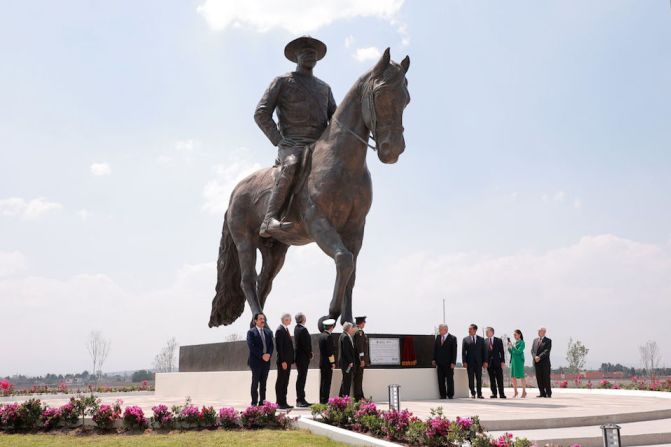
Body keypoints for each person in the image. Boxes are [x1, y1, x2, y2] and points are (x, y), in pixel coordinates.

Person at [254, 36, 337, 238]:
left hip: (318, 146)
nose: (310, 54)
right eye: (305, 51)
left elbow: (336, 120)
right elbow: (261, 113)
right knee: (291, 165)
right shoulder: (282, 81)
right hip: (292, 144)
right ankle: (269, 219)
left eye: (313, 52)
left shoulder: (324, 88)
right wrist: (278, 139)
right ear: (296, 56)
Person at [246, 312, 274, 406]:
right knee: (255, 383)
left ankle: (262, 402)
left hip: (266, 361)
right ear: (255, 321)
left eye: (263, 319)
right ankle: (254, 402)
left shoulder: (268, 332)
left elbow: (271, 346)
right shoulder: (251, 332)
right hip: (255, 361)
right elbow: (251, 346)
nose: (263, 320)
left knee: (263, 383)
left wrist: (268, 355)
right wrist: (262, 355)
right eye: (260, 319)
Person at [274, 313, 294, 409]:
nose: (291, 321)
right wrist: (283, 361)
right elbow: (279, 348)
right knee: (281, 381)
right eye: (289, 319)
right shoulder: (279, 330)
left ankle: (284, 401)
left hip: (288, 361)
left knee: (285, 382)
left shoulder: (285, 329)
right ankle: (279, 402)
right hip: (283, 362)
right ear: (285, 320)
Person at [462, 323, 487, 398]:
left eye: (470, 329)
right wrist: (464, 362)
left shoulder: (481, 339)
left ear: (475, 330)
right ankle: (473, 393)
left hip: (479, 363)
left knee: (479, 378)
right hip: (469, 363)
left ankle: (479, 394)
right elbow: (463, 352)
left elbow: (484, 351)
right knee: (471, 379)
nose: (469, 330)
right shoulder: (465, 339)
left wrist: (485, 361)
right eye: (468, 329)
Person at [432, 324, 457, 399]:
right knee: (440, 380)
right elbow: (435, 349)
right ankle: (442, 395)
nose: (439, 331)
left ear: (445, 329)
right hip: (439, 363)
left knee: (449, 380)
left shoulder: (452, 338)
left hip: (449, 363)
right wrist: (434, 359)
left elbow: (454, 351)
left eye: (440, 329)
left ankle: (450, 395)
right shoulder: (438, 337)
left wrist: (453, 362)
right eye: (439, 329)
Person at [293, 312, 313, 407]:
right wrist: (310, 354)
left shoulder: (296, 328)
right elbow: (306, 345)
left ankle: (301, 398)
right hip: (303, 358)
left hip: (299, 358)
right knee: (301, 378)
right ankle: (300, 400)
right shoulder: (303, 329)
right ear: (302, 319)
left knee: (301, 378)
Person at [318, 318, 337, 404]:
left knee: (322, 382)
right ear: (331, 327)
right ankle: (325, 400)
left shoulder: (321, 335)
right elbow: (330, 352)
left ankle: (322, 400)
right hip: (327, 363)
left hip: (322, 362)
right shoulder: (328, 337)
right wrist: (332, 363)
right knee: (327, 382)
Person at [485, 327, 506, 399]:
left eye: (487, 331)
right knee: (492, 379)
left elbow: (502, 352)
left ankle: (502, 394)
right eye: (486, 332)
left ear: (492, 332)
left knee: (500, 378)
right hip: (489, 363)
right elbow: (484, 353)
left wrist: (503, 361)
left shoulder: (498, 340)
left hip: (498, 362)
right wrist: (485, 362)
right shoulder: (485, 341)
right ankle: (494, 393)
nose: (486, 333)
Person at [531, 327, 552, 398]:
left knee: (546, 378)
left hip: (545, 363)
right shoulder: (535, 340)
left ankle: (548, 393)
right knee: (539, 378)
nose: (538, 332)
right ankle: (542, 393)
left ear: (544, 332)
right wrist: (535, 357)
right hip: (537, 363)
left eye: (539, 331)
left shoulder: (548, 341)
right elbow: (532, 350)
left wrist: (539, 357)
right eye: (538, 331)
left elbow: (546, 351)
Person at [352, 316, 370, 400]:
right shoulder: (359, 332)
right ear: (362, 323)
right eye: (364, 322)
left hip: (355, 360)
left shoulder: (353, 331)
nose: (365, 324)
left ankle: (360, 395)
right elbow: (360, 348)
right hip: (358, 360)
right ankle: (358, 397)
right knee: (358, 379)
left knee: (358, 378)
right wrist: (362, 359)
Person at [507, 329, 527, 398]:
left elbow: (519, 351)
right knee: (513, 377)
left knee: (521, 376)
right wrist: (509, 347)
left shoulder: (522, 343)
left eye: (515, 335)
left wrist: (512, 346)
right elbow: (512, 352)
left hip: (519, 361)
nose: (514, 336)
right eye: (514, 335)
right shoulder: (514, 343)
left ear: (519, 334)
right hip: (513, 361)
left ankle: (524, 391)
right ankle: (515, 391)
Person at [339, 322, 356, 397]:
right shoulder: (345, 337)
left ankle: (341, 397)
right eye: (352, 328)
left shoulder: (343, 335)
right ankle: (345, 398)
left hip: (345, 363)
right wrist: (350, 361)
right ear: (349, 328)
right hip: (347, 364)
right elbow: (346, 351)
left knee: (345, 380)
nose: (352, 329)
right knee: (347, 381)